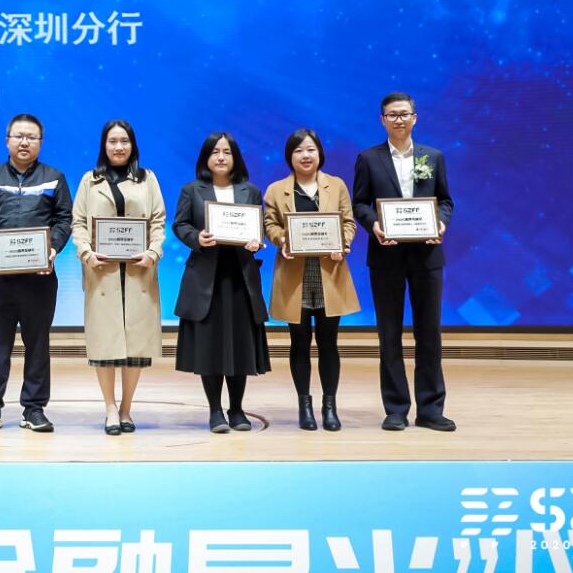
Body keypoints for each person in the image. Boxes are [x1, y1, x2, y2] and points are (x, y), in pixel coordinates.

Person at [351, 92, 456, 432]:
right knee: (389, 334)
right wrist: (374, 226)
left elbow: (446, 201)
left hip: (427, 256)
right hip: (386, 256)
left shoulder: (433, 156)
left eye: (404, 113)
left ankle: (430, 409)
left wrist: (441, 223)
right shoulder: (368, 158)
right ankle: (396, 408)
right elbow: (359, 203)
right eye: (392, 115)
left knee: (429, 334)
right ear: (382, 120)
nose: (399, 119)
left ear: (415, 117)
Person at [0, 114, 73, 434]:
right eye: (19, 136)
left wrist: (53, 248)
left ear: (40, 142)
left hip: (40, 279)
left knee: (38, 345)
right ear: (7, 140)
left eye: (31, 137)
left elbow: (64, 219)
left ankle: (34, 409)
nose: (25, 142)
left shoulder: (54, 177)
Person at [70, 120, 165, 435]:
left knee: (135, 348)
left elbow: (158, 221)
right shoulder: (90, 180)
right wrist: (86, 253)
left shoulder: (148, 179)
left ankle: (126, 409)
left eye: (124, 141)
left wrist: (153, 252)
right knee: (105, 346)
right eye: (112, 141)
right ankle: (110, 408)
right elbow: (78, 223)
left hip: (139, 273)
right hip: (102, 273)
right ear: (104, 145)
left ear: (133, 145)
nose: (119, 147)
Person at [173, 132, 270, 433]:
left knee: (240, 346)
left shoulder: (250, 191)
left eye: (227, 152)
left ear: (235, 157)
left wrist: (257, 242)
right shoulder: (192, 190)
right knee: (210, 347)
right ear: (206, 158)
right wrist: (197, 238)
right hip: (206, 278)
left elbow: (259, 229)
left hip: (241, 278)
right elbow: (180, 224)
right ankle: (215, 410)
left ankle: (237, 409)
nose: (221, 157)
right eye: (215, 151)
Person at [262, 128, 359, 432]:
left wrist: (344, 243)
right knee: (299, 343)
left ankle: (329, 407)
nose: (305, 156)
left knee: (329, 343)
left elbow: (348, 222)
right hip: (295, 276)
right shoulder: (276, 190)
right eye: (299, 150)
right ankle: (304, 406)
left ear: (320, 154)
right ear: (290, 156)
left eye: (311, 150)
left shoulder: (336, 185)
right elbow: (270, 225)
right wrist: (282, 240)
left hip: (330, 274)